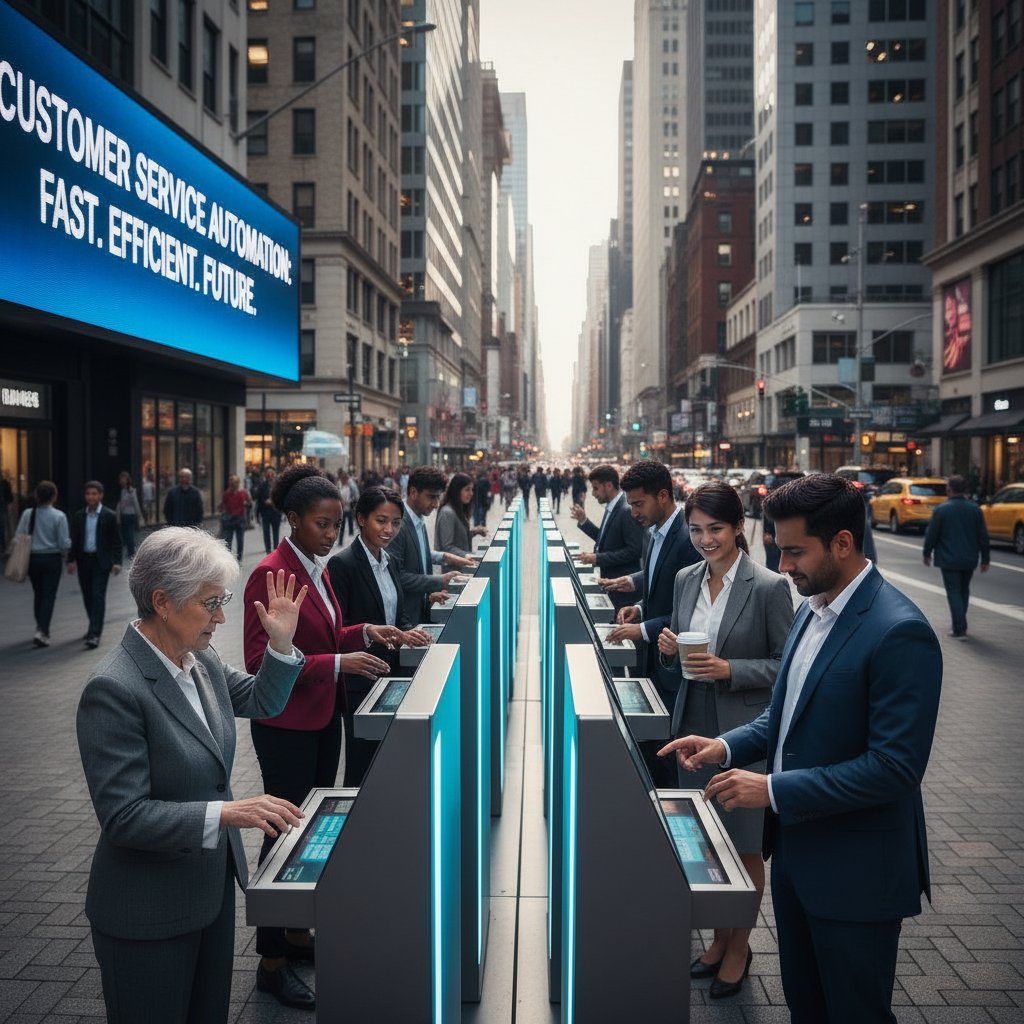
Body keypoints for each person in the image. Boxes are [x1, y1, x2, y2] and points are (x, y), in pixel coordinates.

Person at [660, 473, 942, 1024]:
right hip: (797, 859)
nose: (784, 566)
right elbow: (781, 718)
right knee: (806, 1006)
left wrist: (771, 788)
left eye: (794, 552)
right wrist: (723, 745)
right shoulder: (813, 610)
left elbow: (894, 769)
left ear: (842, 542)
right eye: (778, 549)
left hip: (857, 871)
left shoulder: (898, 631)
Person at [76, 527, 309, 1024]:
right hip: (147, 911)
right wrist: (227, 812)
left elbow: (262, 700)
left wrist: (282, 644)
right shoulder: (114, 689)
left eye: (221, 600)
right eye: (210, 603)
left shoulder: (198, 659)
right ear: (162, 601)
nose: (221, 617)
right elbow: (123, 817)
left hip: (208, 893)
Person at [243, 465, 393, 1010]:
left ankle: (298, 934)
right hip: (285, 723)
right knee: (282, 831)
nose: (332, 536)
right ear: (292, 521)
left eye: (335, 525)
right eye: (321, 525)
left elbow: (328, 632)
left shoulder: (317, 566)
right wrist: (337, 662)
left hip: (322, 715)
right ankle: (271, 962)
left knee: (309, 828)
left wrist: (367, 632)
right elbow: (261, 661)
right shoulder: (271, 572)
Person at [654, 482, 793, 999]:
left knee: (745, 843)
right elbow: (677, 661)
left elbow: (786, 666)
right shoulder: (685, 578)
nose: (706, 539)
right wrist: (670, 650)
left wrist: (730, 668)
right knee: (706, 838)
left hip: (744, 729)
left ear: (738, 527)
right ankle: (716, 940)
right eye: (696, 529)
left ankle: (739, 947)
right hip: (692, 721)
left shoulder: (768, 586)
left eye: (715, 529)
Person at [601, 459, 701, 785]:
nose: (633, 512)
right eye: (630, 504)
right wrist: (640, 608)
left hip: (674, 666)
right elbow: (660, 583)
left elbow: (690, 609)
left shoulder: (688, 539)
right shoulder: (652, 532)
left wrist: (641, 629)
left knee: (668, 755)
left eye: (639, 504)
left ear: (662, 496)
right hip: (653, 661)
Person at [327, 487, 432, 785]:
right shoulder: (342, 564)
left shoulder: (391, 562)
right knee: (361, 764)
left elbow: (398, 614)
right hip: (361, 678)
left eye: (396, 522)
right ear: (361, 519)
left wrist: (408, 632)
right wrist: (372, 635)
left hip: (392, 674)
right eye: (381, 521)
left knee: (387, 758)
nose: (389, 530)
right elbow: (338, 627)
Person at [390, 465, 476, 627]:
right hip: (404, 617)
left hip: (420, 609)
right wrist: (440, 580)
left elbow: (417, 555)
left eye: (438, 497)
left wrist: (445, 557)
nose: (436, 504)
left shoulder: (418, 519)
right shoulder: (398, 523)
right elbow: (398, 576)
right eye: (431, 497)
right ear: (414, 492)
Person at [923, 473, 990, 639]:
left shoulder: (942, 509)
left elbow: (932, 534)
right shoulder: (975, 509)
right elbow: (983, 536)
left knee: (953, 592)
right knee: (964, 590)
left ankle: (960, 628)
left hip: (948, 558)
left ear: (949, 489)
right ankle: (959, 622)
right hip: (969, 558)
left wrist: (927, 552)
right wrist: (985, 559)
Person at [569, 464, 644, 609]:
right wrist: (584, 521)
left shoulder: (626, 510)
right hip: (612, 585)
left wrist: (598, 558)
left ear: (608, 485)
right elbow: (605, 540)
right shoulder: (612, 506)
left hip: (623, 590)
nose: (593, 494)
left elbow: (634, 551)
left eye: (596, 488)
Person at [67, 481, 123, 649]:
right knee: (88, 596)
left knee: (97, 596)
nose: (91, 497)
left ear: (100, 495)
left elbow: (116, 542)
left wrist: (117, 562)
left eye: (94, 494)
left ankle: (94, 634)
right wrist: (71, 560)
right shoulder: (79, 516)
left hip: (101, 562)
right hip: (84, 560)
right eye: (88, 494)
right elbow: (75, 540)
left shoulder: (109, 516)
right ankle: (93, 625)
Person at [17, 480, 71, 647]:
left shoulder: (28, 513)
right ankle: (42, 630)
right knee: (48, 595)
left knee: (38, 593)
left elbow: (19, 535)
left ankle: (40, 627)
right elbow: (63, 543)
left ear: (37, 495)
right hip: (52, 559)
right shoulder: (59, 516)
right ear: (54, 496)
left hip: (33, 559)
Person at [436, 472, 488, 557]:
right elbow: (446, 547)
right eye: (467, 489)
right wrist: (470, 556)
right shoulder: (447, 513)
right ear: (457, 490)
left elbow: (458, 538)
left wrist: (474, 532)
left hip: (463, 567)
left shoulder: (458, 509)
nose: (471, 493)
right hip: (454, 569)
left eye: (472, 489)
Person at [219, 474, 252, 562]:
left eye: (235, 482)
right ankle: (228, 559)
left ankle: (239, 558)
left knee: (240, 540)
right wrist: (223, 512)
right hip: (229, 520)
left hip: (240, 519)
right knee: (228, 540)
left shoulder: (244, 492)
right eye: (231, 482)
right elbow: (222, 505)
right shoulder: (226, 494)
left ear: (238, 482)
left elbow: (250, 504)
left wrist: (247, 504)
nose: (233, 484)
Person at [115, 471, 144, 559]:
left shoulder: (131, 490)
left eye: (124, 479)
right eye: (121, 479)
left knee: (129, 533)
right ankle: (130, 550)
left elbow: (136, 503)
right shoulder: (121, 490)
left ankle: (131, 551)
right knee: (126, 534)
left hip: (130, 515)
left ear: (128, 480)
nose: (122, 481)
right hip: (123, 515)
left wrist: (139, 516)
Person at [254, 466, 282, 555]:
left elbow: (282, 497)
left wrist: (274, 501)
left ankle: (276, 550)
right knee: (266, 532)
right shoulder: (262, 485)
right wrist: (264, 502)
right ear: (266, 475)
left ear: (275, 474)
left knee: (276, 532)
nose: (270, 475)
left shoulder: (278, 485)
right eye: (268, 473)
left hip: (276, 512)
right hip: (265, 512)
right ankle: (268, 551)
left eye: (272, 473)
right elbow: (259, 498)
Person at [339, 472, 359, 538]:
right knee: (342, 525)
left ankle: (351, 537)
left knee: (350, 523)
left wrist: (348, 501)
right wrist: (341, 501)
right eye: (342, 479)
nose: (343, 481)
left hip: (349, 508)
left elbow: (355, 497)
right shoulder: (340, 486)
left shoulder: (351, 487)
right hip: (342, 508)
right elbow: (337, 495)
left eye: (344, 479)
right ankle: (340, 542)